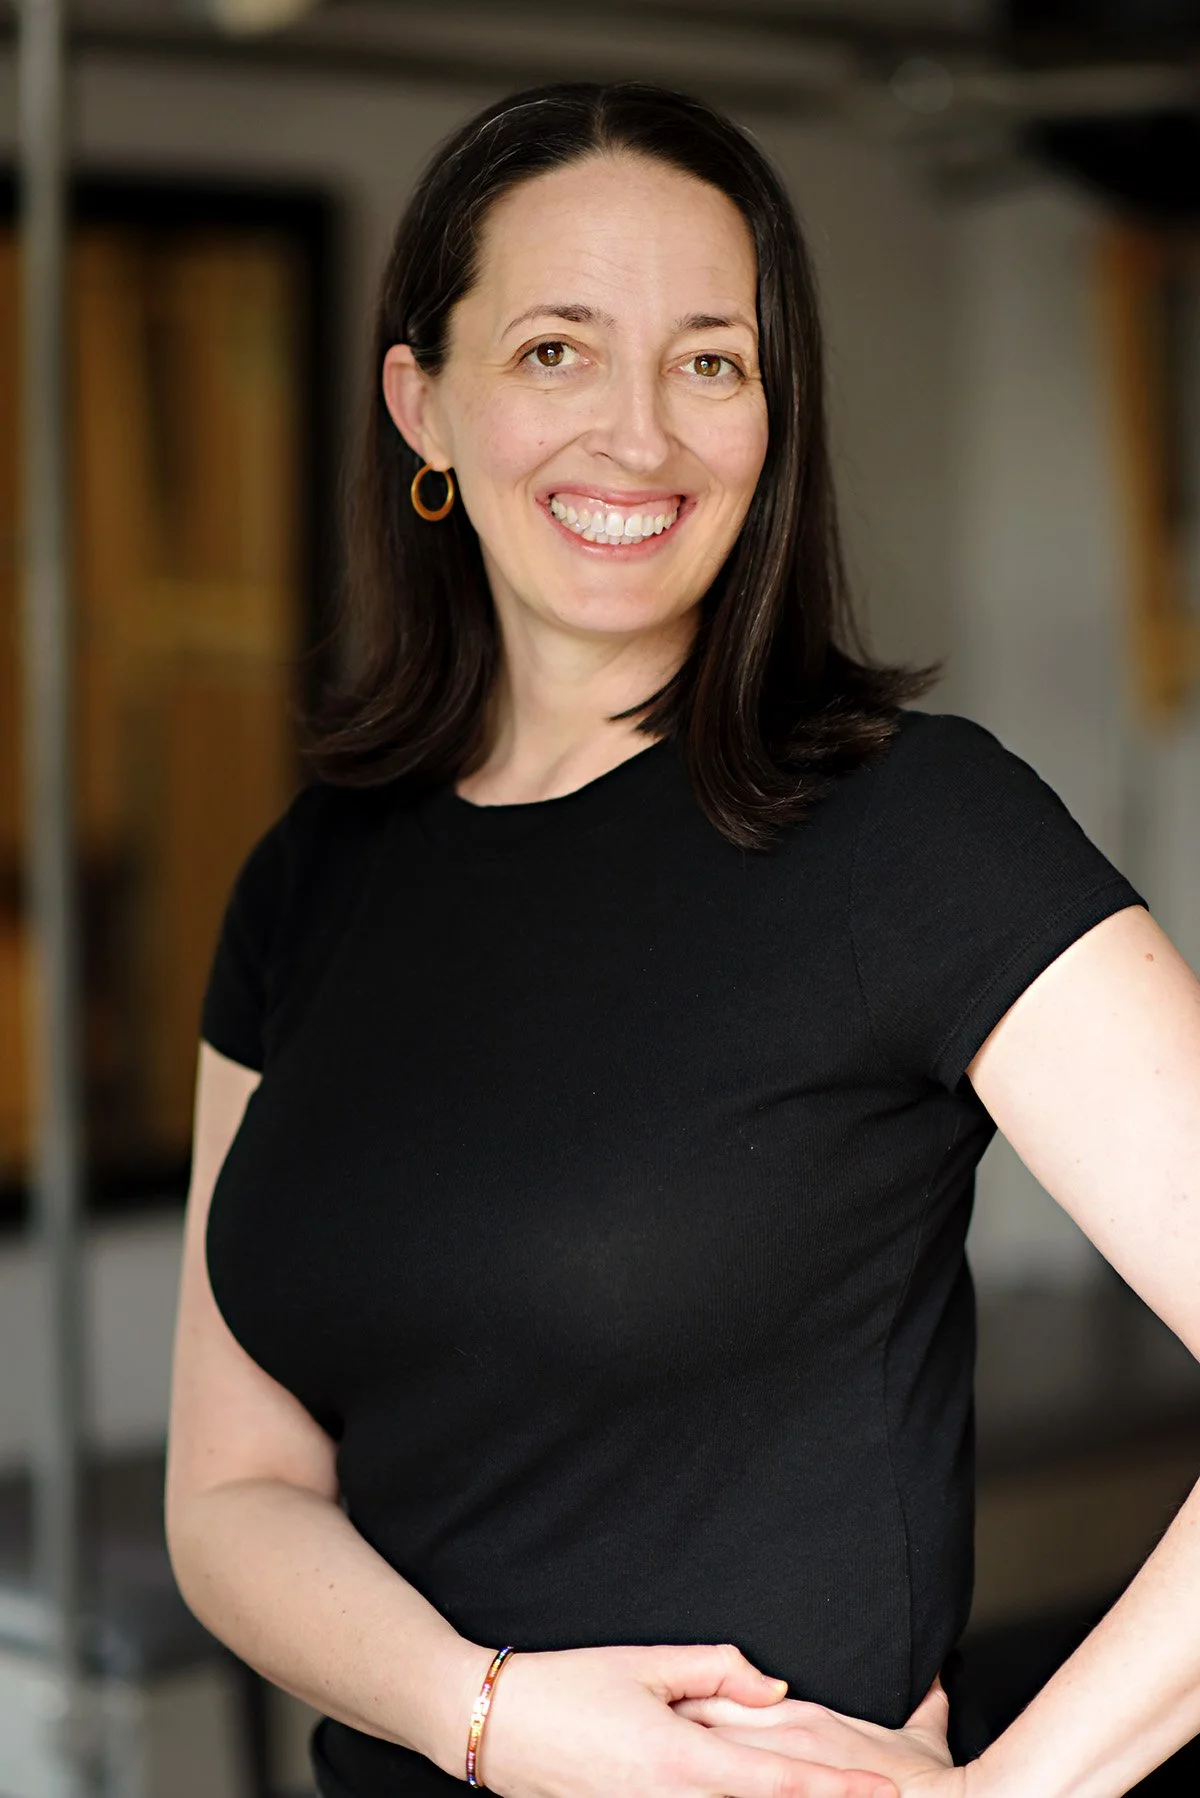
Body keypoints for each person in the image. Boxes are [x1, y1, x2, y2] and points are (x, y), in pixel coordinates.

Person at [164, 79, 1200, 1798]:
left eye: (710, 360)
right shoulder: (311, 880)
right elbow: (233, 1493)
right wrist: (486, 1713)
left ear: (770, 418)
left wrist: (1024, 1794)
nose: (637, 437)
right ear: (421, 403)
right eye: (558, 350)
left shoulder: (911, 833)